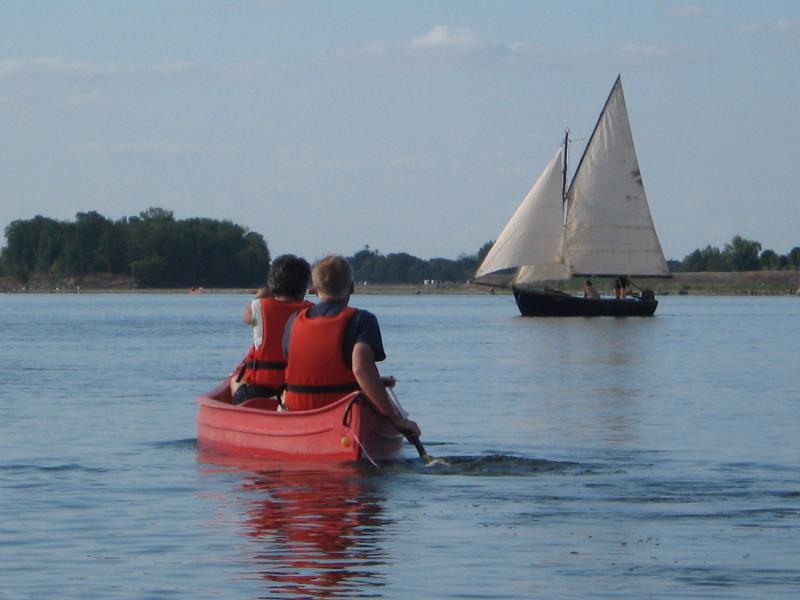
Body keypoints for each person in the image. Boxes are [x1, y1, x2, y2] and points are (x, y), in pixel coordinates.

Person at [282, 255, 420, 438]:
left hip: (299, 410)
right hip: (345, 413)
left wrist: (375, 383)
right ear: (352, 287)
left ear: (314, 290)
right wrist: (396, 419)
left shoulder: (294, 321)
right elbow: (361, 370)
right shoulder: (362, 320)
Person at [231, 254, 313, 405]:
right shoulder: (312, 311)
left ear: (273, 284)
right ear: (304, 287)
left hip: (260, 391)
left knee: (234, 381)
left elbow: (246, 317)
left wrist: (263, 294)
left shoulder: (259, 307)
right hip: (297, 390)